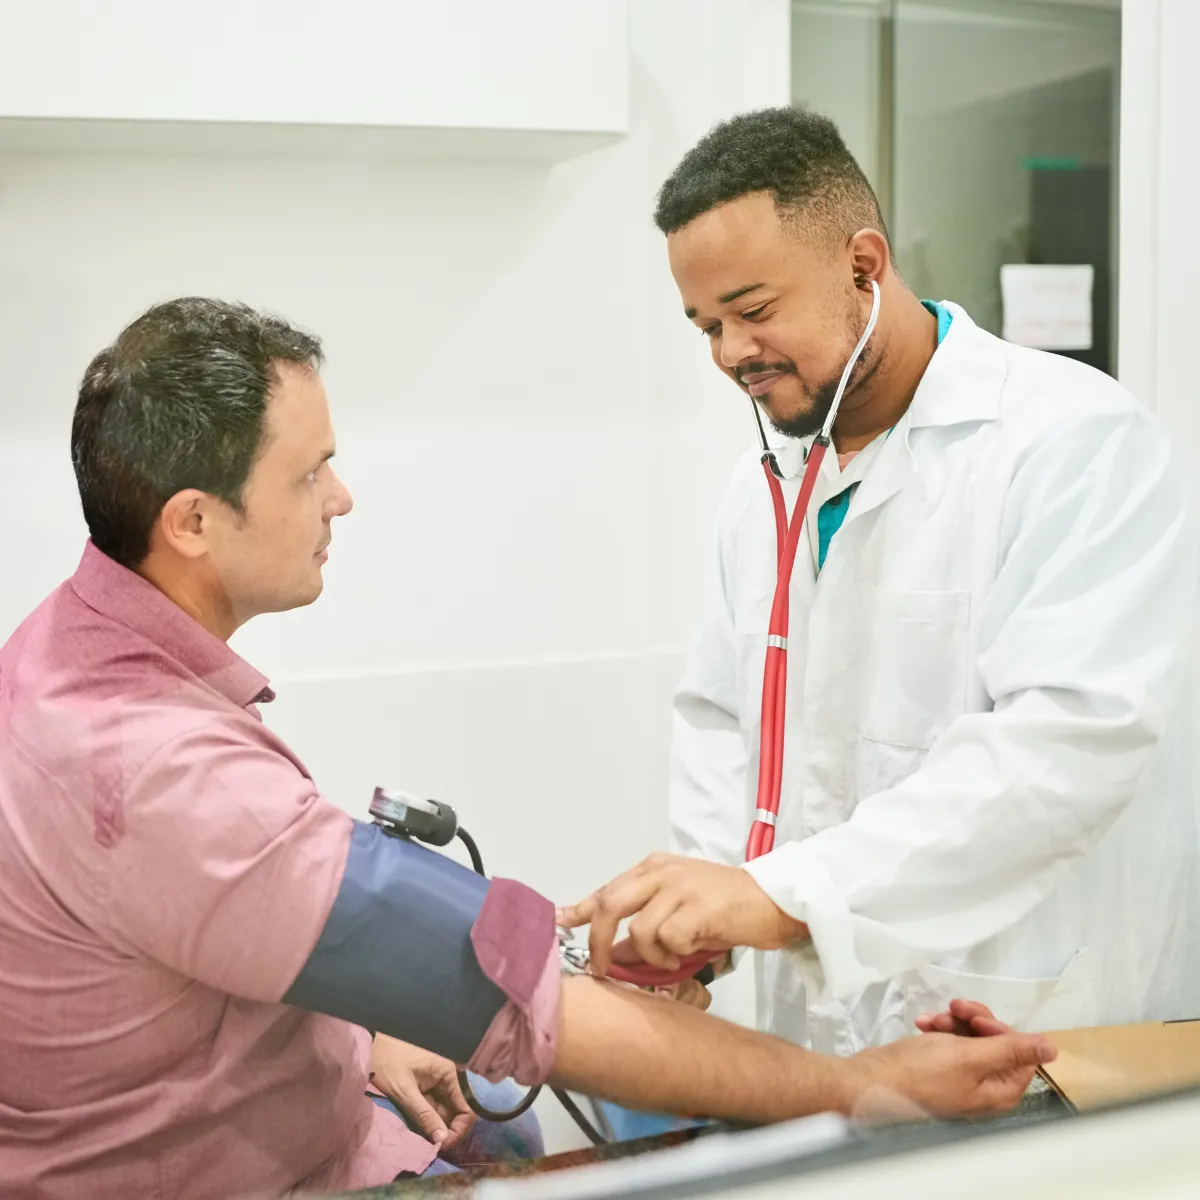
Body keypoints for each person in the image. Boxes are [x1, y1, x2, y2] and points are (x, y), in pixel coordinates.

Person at [0, 298, 1056, 1200]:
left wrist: (375, 1024)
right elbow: (521, 1003)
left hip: (300, 1108)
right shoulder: (160, 771)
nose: (341, 497)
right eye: (311, 472)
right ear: (192, 522)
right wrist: (863, 1085)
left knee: (504, 1128)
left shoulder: (64, 652)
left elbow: (259, 920)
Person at [559, 107, 1200, 1053]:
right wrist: (699, 920)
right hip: (820, 1037)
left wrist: (777, 897)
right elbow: (725, 723)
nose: (730, 353)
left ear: (864, 265)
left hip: (1027, 1010)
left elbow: (1065, 745)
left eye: (753, 310)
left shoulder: (1076, 444)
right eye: (707, 326)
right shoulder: (766, 483)